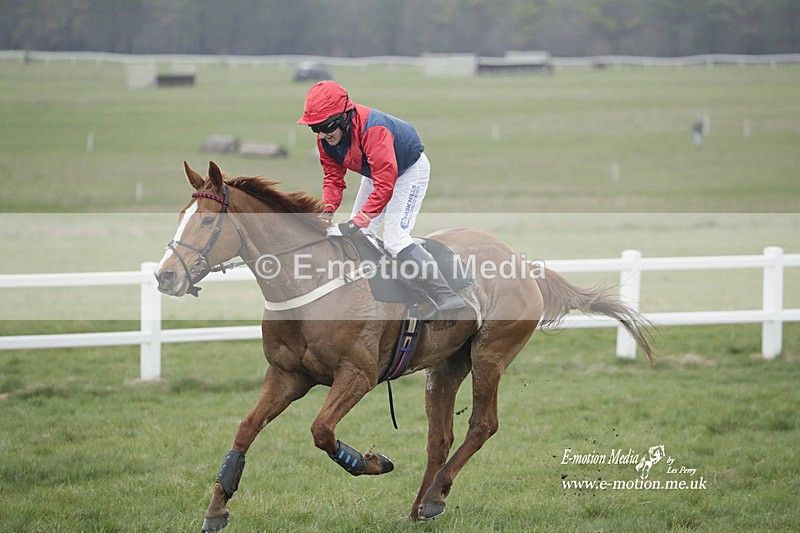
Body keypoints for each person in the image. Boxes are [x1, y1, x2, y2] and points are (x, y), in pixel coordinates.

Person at [297, 80, 464, 314]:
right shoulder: (326, 141)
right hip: (376, 172)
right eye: (316, 128)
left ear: (345, 117)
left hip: (408, 171)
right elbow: (333, 179)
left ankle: (445, 295)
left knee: (395, 238)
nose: (323, 134)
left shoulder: (373, 130)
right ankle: (394, 295)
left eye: (327, 126)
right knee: (360, 235)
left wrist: (358, 219)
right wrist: (327, 212)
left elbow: (386, 185)